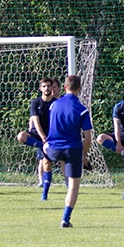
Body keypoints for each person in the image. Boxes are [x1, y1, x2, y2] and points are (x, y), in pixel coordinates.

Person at [44, 75, 93, 227]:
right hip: (72, 149)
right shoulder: (82, 110)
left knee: (43, 146)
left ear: (64, 88)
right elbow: (87, 138)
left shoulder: (53, 105)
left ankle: (44, 188)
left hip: (53, 149)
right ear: (79, 89)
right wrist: (84, 156)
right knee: (73, 186)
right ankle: (65, 219)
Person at [16, 78, 56, 192]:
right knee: (21, 136)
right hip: (37, 134)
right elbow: (35, 121)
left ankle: (67, 182)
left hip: (51, 135)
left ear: (52, 87)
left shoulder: (56, 103)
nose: (46, 88)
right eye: (44, 86)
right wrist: (42, 138)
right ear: (40, 88)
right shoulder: (35, 102)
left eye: (48, 86)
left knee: (46, 160)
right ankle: (42, 146)